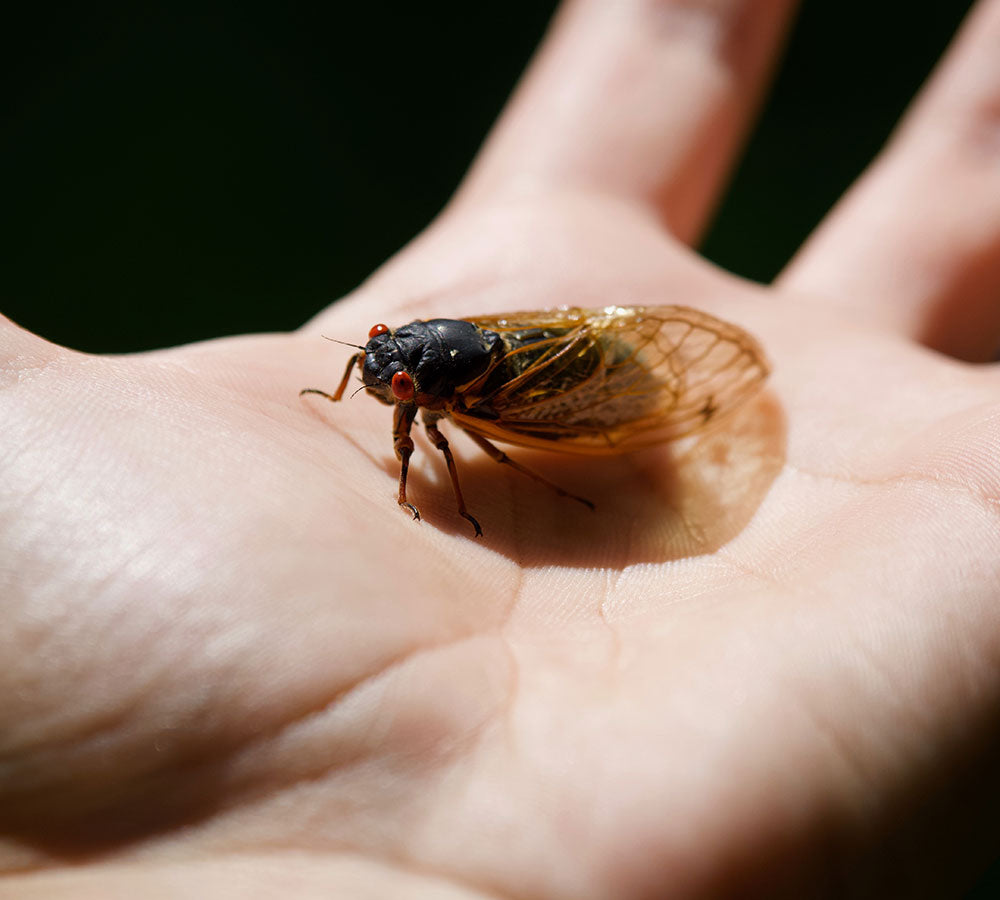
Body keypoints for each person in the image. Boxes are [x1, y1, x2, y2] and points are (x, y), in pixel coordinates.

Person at [3, 1, 999, 895]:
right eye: (383, 370)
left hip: (560, 378)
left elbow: (475, 437)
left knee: (527, 442)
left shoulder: (449, 406)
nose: (382, 383)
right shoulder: (403, 381)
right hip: (534, 347)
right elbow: (385, 384)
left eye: (390, 378)